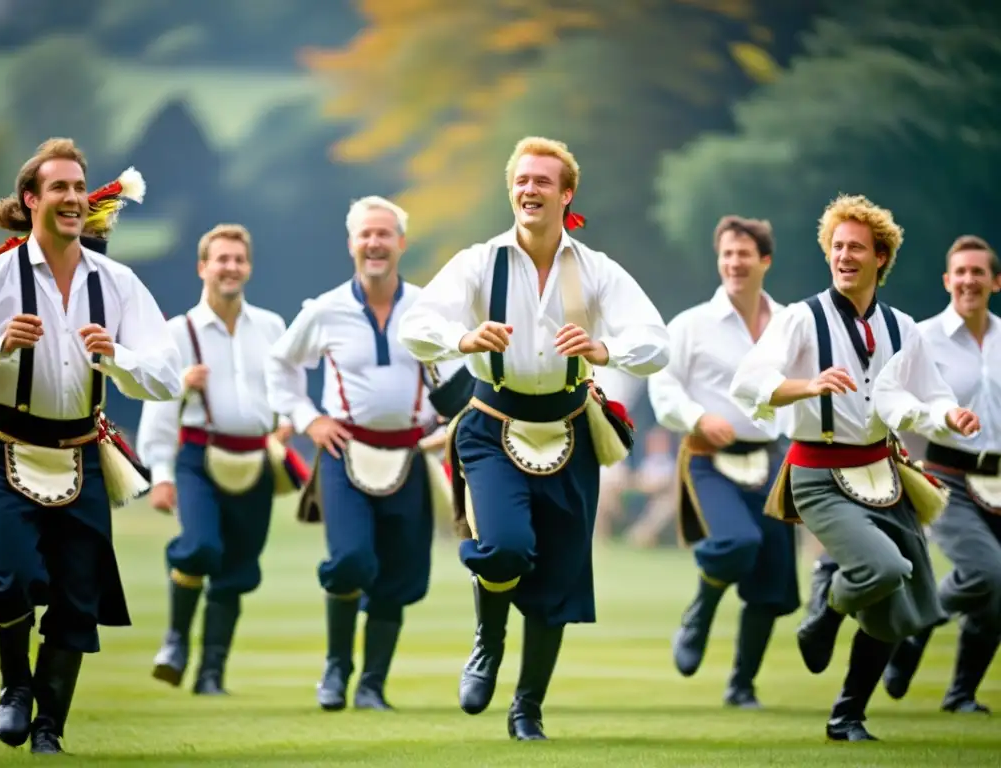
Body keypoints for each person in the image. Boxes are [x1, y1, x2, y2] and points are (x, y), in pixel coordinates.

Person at [397, 136, 670, 740]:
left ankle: (528, 708)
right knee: (507, 547)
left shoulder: (597, 269)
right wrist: (463, 340)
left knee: (559, 580)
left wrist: (607, 349)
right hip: (491, 427)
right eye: (521, 180)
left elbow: (656, 341)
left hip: (572, 430)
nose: (530, 190)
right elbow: (417, 325)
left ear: (566, 194)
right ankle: (487, 642)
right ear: (511, 190)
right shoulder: (478, 261)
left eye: (543, 182)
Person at [729, 193, 980, 742]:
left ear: (880, 258)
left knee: (907, 611)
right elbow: (748, 380)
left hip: (886, 475)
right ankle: (826, 608)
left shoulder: (903, 327)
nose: (844, 256)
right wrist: (806, 385)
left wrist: (950, 415)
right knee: (885, 570)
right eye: (837, 246)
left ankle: (847, 716)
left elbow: (929, 396)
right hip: (817, 473)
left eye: (856, 248)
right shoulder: (799, 318)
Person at [0, 138, 182, 754]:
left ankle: (49, 729)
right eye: (58, 187)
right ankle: (16, 688)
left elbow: (167, 373)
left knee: (76, 596)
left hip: (83, 452)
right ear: (31, 200)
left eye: (78, 187)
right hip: (0, 445)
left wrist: (116, 357)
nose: (71, 198)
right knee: (9, 579)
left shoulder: (117, 282)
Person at [266, 195, 448, 712]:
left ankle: (372, 685)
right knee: (350, 560)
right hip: (345, 454)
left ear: (401, 243)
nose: (374, 243)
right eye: (365, 234)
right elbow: (279, 367)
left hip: (411, 457)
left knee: (399, 575)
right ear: (351, 244)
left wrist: (450, 420)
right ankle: (336, 669)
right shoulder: (325, 310)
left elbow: (457, 375)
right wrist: (308, 419)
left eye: (384, 234)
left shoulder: (430, 310)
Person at [136, 223, 302, 696]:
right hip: (197, 456)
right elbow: (159, 406)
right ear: (202, 267)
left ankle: (211, 675)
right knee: (202, 547)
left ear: (247, 267)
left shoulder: (271, 326)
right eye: (221, 259)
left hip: (256, 459)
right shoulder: (178, 332)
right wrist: (162, 474)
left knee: (238, 570)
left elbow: (286, 390)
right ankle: (174, 643)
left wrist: (287, 418)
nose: (230, 267)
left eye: (238, 259)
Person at [647, 215, 798, 708]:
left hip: (772, 459)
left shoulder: (791, 324)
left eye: (744, 254)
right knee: (737, 542)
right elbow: (662, 387)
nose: (734, 263)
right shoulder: (691, 325)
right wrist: (697, 416)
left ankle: (741, 685)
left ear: (765, 261)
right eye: (727, 254)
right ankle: (700, 612)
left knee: (774, 585)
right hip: (708, 458)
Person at [881, 235, 1001, 714]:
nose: (969, 280)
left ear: (995, 281)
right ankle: (913, 625)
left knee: (997, 594)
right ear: (947, 280)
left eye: (978, 272)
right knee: (987, 572)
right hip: (947, 474)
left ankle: (961, 694)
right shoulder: (922, 337)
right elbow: (892, 397)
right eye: (961, 272)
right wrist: (936, 416)